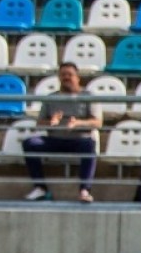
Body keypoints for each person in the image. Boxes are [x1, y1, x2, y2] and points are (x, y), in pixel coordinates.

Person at [22, 62, 101, 204]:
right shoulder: (51, 97)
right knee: (30, 143)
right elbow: (40, 123)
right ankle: (40, 187)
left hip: (79, 140)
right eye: (63, 75)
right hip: (55, 139)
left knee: (90, 145)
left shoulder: (88, 96)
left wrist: (78, 123)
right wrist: (51, 122)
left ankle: (85, 190)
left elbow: (97, 122)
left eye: (69, 74)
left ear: (77, 77)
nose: (66, 78)